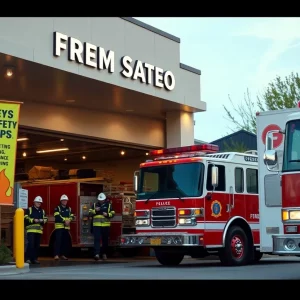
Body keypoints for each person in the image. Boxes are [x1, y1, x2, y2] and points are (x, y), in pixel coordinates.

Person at [89, 192, 115, 261]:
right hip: (96, 226)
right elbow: (89, 213)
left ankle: (104, 254)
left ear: (104, 199)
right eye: (100, 200)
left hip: (105, 226)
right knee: (97, 239)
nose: (101, 201)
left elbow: (113, 213)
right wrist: (95, 211)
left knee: (105, 241)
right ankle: (96, 254)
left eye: (102, 200)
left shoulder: (109, 205)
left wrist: (107, 214)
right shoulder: (94, 205)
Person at [24, 196, 48, 264]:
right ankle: (28, 258)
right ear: (34, 202)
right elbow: (25, 218)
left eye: (40, 202)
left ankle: (34, 259)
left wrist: (42, 220)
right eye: (37, 202)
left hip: (39, 231)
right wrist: (33, 220)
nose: (39, 203)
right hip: (31, 231)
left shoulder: (42, 211)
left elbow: (46, 219)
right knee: (30, 245)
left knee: (36, 246)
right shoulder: (30, 209)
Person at [53, 194, 75, 260]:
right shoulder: (57, 208)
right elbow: (57, 216)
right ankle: (56, 254)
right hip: (59, 227)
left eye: (66, 200)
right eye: (63, 200)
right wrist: (65, 221)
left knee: (65, 241)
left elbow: (72, 216)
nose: (65, 201)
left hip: (66, 228)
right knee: (58, 241)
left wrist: (69, 220)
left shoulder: (69, 208)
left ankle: (63, 254)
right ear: (61, 201)